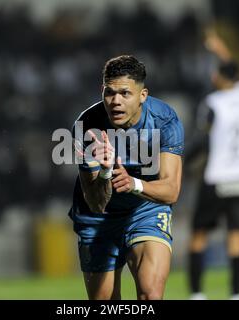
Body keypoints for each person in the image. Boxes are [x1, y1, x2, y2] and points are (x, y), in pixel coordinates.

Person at [69, 55, 184, 300]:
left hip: (145, 210)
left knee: (150, 296)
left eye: (125, 94)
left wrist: (134, 184)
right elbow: (95, 203)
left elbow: (171, 190)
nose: (115, 102)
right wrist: (106, 171)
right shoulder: (86, 126)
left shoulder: (164, 121)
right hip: (98, 219)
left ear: (143, 95)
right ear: (102, 91)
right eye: (109, 93)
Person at [185, 32, 239, 300]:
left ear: (218, 78)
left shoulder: (213, 103)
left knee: (198, 235)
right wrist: (221, 48)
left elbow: (201, 139)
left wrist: (180, 159)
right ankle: (237, 294)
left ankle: (197, 293)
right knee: (237, 237)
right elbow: (234, 70)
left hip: (217, 177)